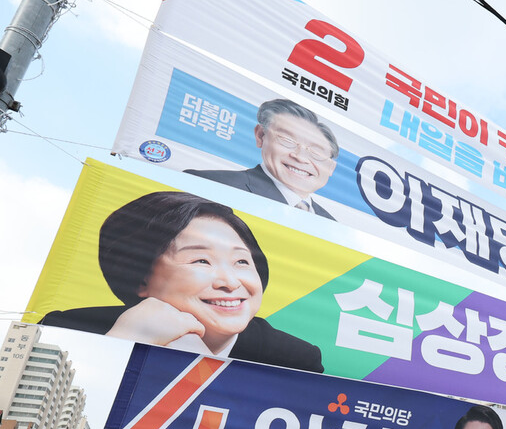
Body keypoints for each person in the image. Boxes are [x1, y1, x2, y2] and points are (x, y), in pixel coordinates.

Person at [41, 191, 323, 373]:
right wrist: (122, 343)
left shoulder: (293, 360)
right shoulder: (71, 331)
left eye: (241, 262)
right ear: (141, 277)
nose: (229, 282)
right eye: (201, 261)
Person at [185, 98, 340, 219]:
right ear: (261, 136)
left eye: (316, 152)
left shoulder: (333, 226)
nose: (300, 158)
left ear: (331, 168)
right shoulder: (207, 185)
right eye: (288, 141)